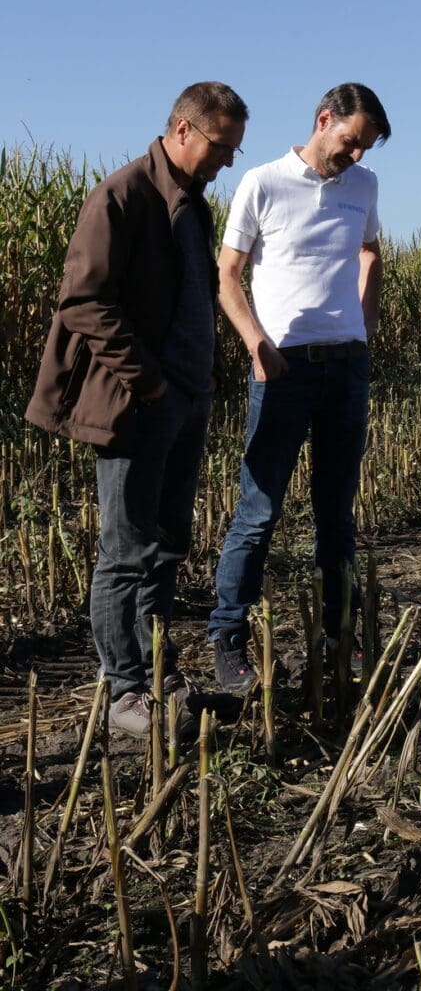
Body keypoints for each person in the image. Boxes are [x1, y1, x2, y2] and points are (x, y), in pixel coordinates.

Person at [26, 81, 249, 736]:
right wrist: (148, 381)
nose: (227, 161)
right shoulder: (121, 198)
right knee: (125, 552)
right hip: (136, 405)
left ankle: (159, 675)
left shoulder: (194, 208)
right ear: (182, 130)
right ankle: (123, 691)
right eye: (220, 146)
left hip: (186, 402)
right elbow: (84, 303)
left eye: (234, 150)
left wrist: (204, 372)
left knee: (166, 548)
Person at [208, 82, 391, 692]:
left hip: (346, 368)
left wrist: (362, 329)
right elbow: (228, 275)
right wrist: (255, 342)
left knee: (336, 513)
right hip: (281, 367)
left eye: (364, 147)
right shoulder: (261, 182)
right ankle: (229, 641)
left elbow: (370, 253)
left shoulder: (363, 187)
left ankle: (342, 635)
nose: (356, 156)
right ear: (322, 120)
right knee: (258, 513)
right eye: (350, 141)